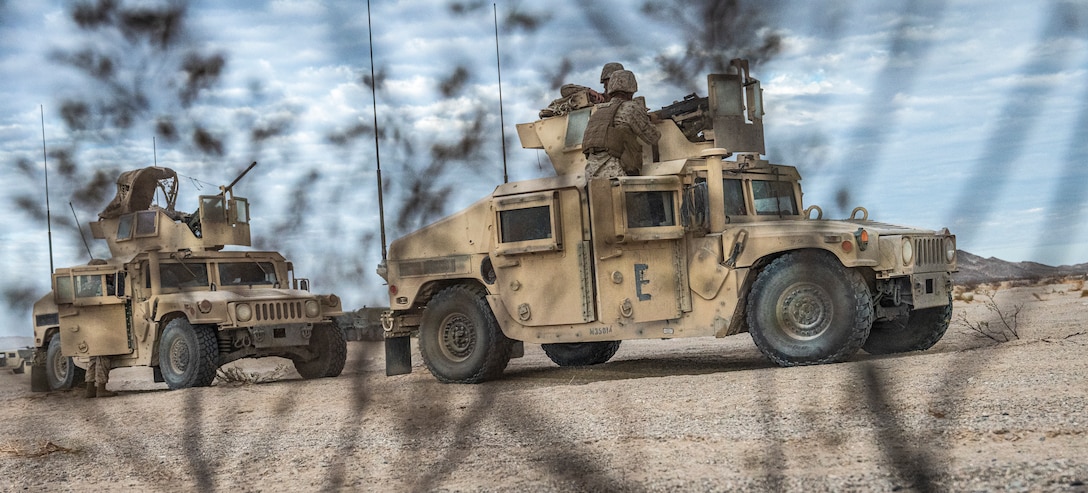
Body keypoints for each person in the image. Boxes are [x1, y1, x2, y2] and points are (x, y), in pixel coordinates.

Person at [582, 69, 661, 178]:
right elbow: (653, 137)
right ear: (632, 90)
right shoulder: (631, 108)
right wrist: (651, 119)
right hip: (617, 175)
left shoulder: (598, 111)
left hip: (591, 176)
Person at [540, 62, 625, 118]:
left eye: (619, 80)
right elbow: (565, 90)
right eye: (611, 79)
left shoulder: (628, 104)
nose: (615, 83)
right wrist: (588, 91)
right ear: (605, 82)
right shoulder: (595, 99)